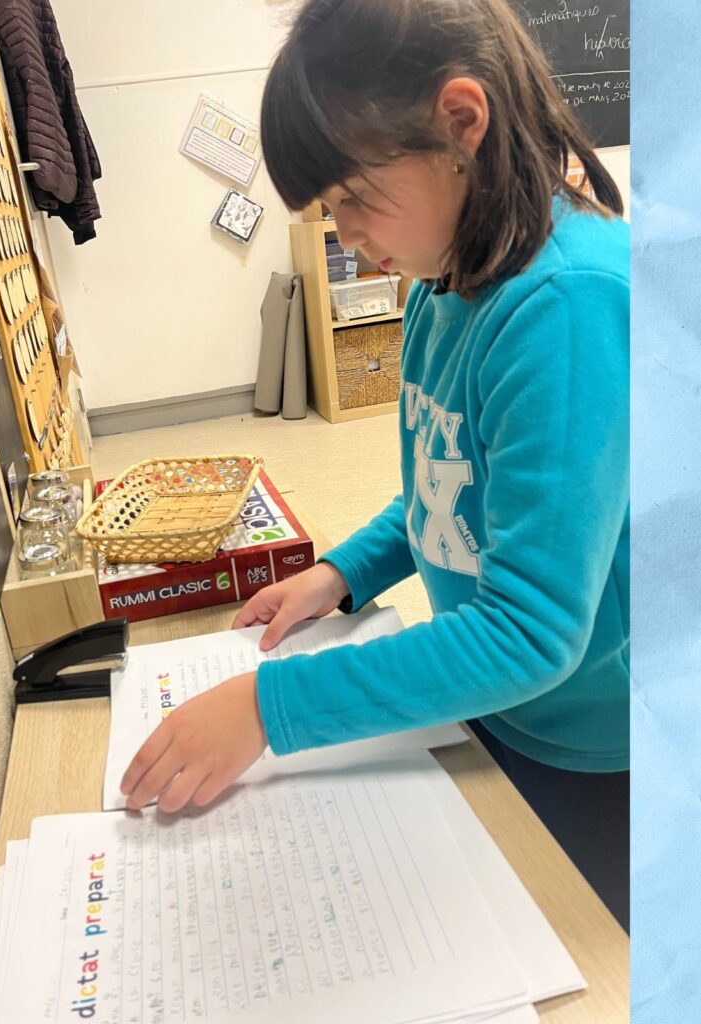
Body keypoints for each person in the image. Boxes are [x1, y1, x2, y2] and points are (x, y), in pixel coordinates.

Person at [120, 0, 630, 930]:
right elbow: (444, 489)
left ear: (460, 124)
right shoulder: (443, 282)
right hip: (500, 705)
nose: (344, 233)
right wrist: (342, 572)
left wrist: (267, 708)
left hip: (596, 740)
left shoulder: (567, 306)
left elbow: (531, 632)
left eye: (353, 197)